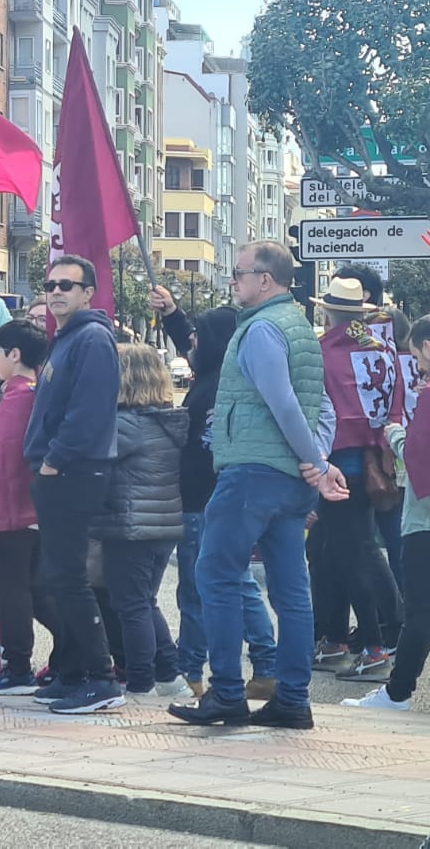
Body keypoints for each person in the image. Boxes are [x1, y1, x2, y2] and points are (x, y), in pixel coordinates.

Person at [169, 241, 342, 730]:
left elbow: (283, 403)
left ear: (265, 279)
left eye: (238, 273)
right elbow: (322, 407)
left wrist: (314, 460)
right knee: (291, 589)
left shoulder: (261, 328)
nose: (232, 282)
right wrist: (316, 461)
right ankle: (292, 698)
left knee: (217, 575)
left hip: (251, 472)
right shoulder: (301, 330)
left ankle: (225, 693)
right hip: (289, 480)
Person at [151, 287, 279, 700]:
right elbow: (189, 339)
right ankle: (266, 665)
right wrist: (172, 313)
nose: (192, 342)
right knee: (237, 582)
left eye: (199, 336)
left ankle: (192, 669)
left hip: (204, 499)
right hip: (219, 498)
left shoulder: (217, 386)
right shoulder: (222, 373)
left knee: (198, 588)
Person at [22, 256, 125, 715]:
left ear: (88, 292)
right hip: (60, 470)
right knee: (58, 577)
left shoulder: (92, 338)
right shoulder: (65, 339)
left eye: (67, 284)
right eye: (50, 284)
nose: (56, 291)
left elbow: (89, 412)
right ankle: (73, 671)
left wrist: (54, 462)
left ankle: (100, 678)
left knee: (68, 577)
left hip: (75, 471)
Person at [308, 277, 400, 681]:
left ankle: (372, 646)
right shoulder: (384, 349)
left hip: (338, 460)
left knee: (350, 553)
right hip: (377, 456)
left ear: (328, 311)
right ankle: (337, 640)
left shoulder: (323, 352)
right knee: (341, 548)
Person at [90, 344, 189, 697]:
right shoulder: (166, 420)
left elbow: (92, 460)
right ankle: (169, 675)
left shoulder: (124, 425)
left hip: (130, 524)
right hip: (162, 525)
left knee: (129, 606)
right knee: (144, 601)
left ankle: (141, 681)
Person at [344, 314, 430, 711]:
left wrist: (396, 434)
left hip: (424, 522)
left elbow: (419, 460)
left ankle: (397, 693)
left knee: (419, 612)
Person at [0, 320, 59, 695]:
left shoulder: (16, 397)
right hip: (32, 510)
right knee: (36, 590)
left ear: (15, 355)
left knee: (10, 591)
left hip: (5, 512)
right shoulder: (37, 393)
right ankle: (72, 649)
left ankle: (17, 665)